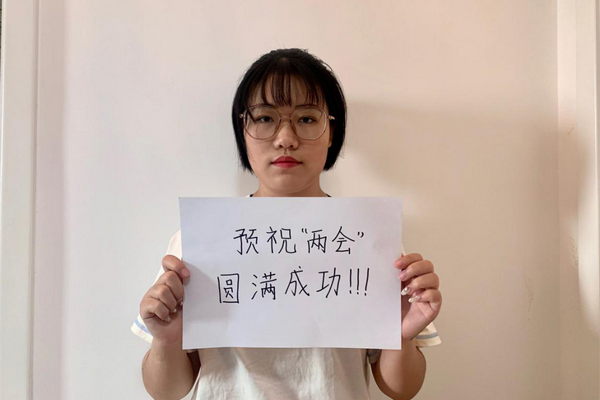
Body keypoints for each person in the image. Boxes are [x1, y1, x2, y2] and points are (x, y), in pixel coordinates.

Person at [131, 48, 442, 400]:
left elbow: (401, 389)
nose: (285, 139)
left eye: (307, 118)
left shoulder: (369, 238)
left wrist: (400, 335)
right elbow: (166, 391)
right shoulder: (200, 239)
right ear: (243, 130)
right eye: (265, 118)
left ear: (331, 131)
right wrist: (166, 340)